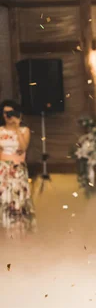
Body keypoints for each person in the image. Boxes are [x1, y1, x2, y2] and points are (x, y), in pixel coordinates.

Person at [0, 100, 36, 236]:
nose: (6, 116)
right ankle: (5, 228)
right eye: (4, 113)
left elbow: (23, 147)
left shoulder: (24, 130)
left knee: (17, 199)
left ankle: (18, 229)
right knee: (4, 198)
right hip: (3, 168)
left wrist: (16, 127)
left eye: (10, 113)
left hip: (17, 169)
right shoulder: (0, 130)